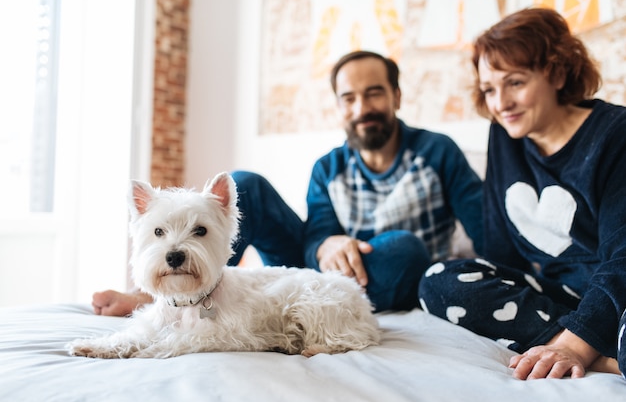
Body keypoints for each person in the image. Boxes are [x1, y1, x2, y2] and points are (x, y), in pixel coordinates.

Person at [92, 50, 483, 316]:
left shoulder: (438, 151)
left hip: (388, 273)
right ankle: (164, 295)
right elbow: (315, 241)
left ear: (396, 96)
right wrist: (328, 243)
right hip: (320, 276)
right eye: (349, 98)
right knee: (245, 184)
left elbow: (487, 228)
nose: (361, 108)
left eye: (374, 94)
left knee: (404, 248)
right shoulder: (328, 167)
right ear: (339, 107)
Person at [418, 7, 626, 380]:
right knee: (440, 280)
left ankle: (586, 346)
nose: (500, 104)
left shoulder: (615, 135)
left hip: (619, 291)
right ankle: (598, 355)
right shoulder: (505, 135)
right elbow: (503, 253)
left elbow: (623, 259)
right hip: (566, 299)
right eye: (489, 89)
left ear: (557, 72)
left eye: (515, 82)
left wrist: (574, 345)